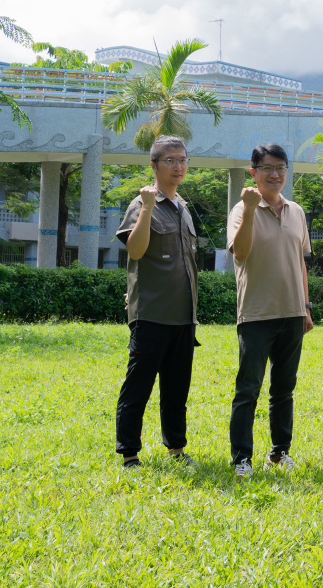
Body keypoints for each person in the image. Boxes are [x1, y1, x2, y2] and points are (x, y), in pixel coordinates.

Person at [226, 143, 314, 477]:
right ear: (254, 172)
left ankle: (279, 452)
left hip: (292, 313)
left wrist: (305, 307)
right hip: (256, 314)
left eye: (280, 167)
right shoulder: (241, 209)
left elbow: (300, 263)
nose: (275, 174)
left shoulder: (296, 211)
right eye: (267, 168)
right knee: (248, 388)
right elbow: (240, 253)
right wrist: (249, 210)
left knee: (283, 389)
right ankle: (241, 459)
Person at [114, 135, 199, 469]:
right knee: (139, 385)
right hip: (151, 313)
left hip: (182, 314)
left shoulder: (183, 208)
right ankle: (129, 453)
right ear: (154, 165)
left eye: (183, 160)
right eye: (170, 161)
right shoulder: (141, 204)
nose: (178, 167)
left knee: (177, 389)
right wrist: (148, 208)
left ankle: (176, 448)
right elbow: (135, 251)